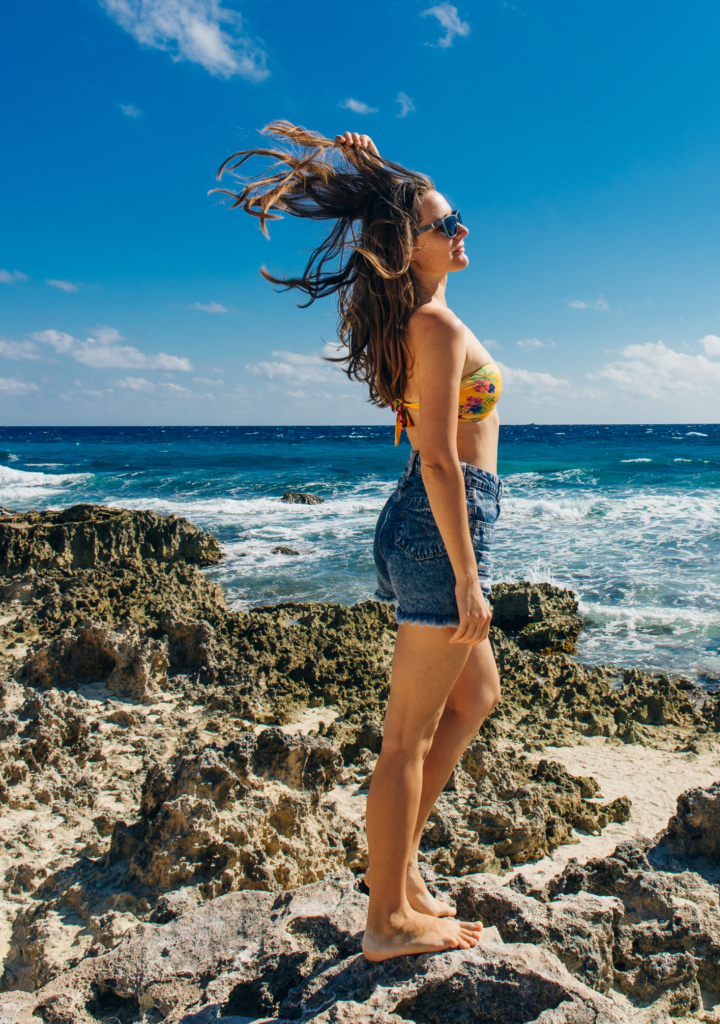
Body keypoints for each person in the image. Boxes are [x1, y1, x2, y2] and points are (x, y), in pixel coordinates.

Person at [217, 123, 502, 960]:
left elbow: (436, 458)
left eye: (458, 219)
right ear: (410, 248)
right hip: (440, 523)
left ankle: (401, 874)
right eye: (448, 224)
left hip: (426, 519)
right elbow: (442, 461)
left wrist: (370, 165)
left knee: (474, 698)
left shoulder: (423, 318)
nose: (462, 232)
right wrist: (467, 578)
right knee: (407, 735)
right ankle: (386, 921)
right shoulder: (436, 329)